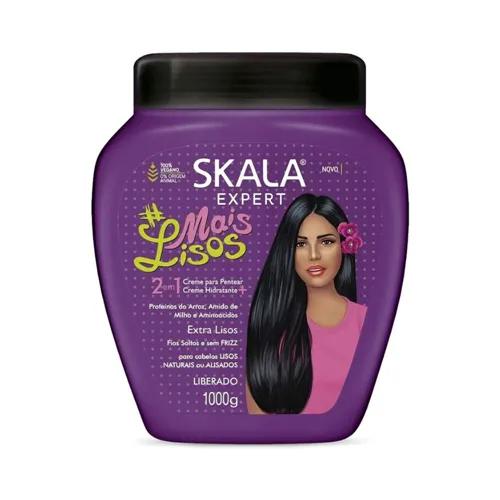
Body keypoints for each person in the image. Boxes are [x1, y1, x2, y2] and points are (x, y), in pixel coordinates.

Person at [246, 193, 367, 414]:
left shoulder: (366, 323)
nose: (313, 255)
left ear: (344, 246)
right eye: (301, 244)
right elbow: (259, 419)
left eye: (326, 242)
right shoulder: (270, 327)